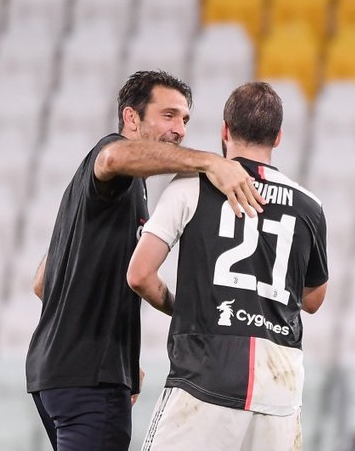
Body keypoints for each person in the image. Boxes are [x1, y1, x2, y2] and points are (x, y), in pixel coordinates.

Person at [25, 70, 265, 451]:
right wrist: (209, 162)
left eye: (185, 119)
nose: (180, 128)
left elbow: (43, 282)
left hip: (54, 373)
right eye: (168, 115)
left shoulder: (104, 193)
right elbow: (115, 156)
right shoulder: (112, 158)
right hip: (90, 379)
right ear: (131, 118)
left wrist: (110, 348)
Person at [127, 81, 329, 451]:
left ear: (224, 130)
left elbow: (139, 274)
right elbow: (313, 299)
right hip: (279, 384)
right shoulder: (310, 206)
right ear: (278, 137)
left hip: (206, 370)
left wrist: (180, 305)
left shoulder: (192, 184)